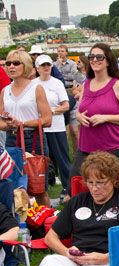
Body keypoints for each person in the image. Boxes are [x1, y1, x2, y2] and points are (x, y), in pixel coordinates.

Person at [72, 43, 119, 178]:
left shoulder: (118, 86)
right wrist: (78, 116)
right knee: (75, 185)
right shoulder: (86, 84)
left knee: (110, 189)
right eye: (91, 57)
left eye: (99, 57)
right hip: (86, 146)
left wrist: (105, 117)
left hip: (114, 147)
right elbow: (80, 109)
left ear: (108, 61)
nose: (94, 60)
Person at [0, 50, 52, 205]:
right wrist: (8, 125)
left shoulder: (36, 88)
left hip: (33, 139)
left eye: (16, 63)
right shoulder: (5, 91)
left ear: (26, 66)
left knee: (38, 188)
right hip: (11, 139)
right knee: (14, 187)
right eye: (8, 63)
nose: (11, 67)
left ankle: (45, 223)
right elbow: (1, 122)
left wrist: (23, 123)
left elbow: (47, 119)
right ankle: (21, 224)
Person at [33, 54, 71, 197]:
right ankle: (42, 190)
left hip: (56, 127)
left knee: (62, 159)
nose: (46, 68)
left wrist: (50, 111)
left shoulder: (57, 83)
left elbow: (66, 105)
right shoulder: (33, 84)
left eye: (48, 65)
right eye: (43, 65)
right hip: (39, 127)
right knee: (40, 160)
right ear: (37, 68)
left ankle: (68, 189)